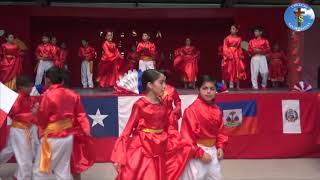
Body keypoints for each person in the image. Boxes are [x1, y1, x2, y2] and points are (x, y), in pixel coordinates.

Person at [111, 69, 191, 180]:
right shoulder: (140, 105)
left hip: (160, 146)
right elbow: (126, 131)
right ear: (150, 85)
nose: (164, 86)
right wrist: (119, 156)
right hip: (143, 147)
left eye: (164, 82)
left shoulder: (163, 104)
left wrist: (179, 141)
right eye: (161, 82)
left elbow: (168, 127)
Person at [32, 67, 91, 179]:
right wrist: (86, 129)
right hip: (68, 136)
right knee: (62, 170)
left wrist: (35, 114)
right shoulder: (72, 94)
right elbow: (81, 114)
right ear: (62, 81)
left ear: (47, 80)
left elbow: (42, 120)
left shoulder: (47, 96)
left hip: (53, 137)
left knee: (40, 170)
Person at [181, 75, 228, 180]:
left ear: (216, 90)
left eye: (212, 89)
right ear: (199, 90)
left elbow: (221, 132)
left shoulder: (217, 110)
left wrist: (220, 146)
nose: (208, 92)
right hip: (197, 152)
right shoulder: (191, 110)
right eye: (205, 88)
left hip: (213, 151)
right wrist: (200, 153)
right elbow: (186, 137)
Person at [3, 75, 39, 179]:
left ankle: (19, 176)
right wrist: (33, 114)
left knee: (10, 151)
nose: (31, 88)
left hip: (28, 129)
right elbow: (15, 115)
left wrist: (36, 109)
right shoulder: (16, 99)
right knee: (25, 158)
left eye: (31, 86)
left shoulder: (31, 98)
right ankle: (22, 177)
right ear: (20, 87)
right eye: (28, 86)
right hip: (19, 131)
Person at [222, 25, 246, 89]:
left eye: (233, 29)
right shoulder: (227, 38)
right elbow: (224, 48)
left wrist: (241, 55)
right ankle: (225, 86)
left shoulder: (239, 38)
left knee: (237, 70)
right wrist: (228, 55)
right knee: (227, 70)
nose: (231, 30)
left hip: (236, 55)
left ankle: (238, 86)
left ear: (236, 30)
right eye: (231, 29)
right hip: (229, 56)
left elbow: (241, 47)